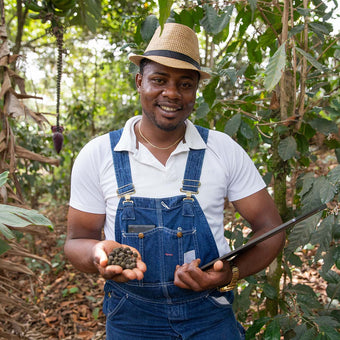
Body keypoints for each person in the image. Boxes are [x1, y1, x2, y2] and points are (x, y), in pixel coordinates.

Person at [65, 23, 285, 339]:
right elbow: (76, 240)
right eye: (159, 80)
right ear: (139, 81)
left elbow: (270, 229)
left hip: (209, 314)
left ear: (195, 90)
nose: (171, 93)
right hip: (131, 318)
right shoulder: (99, 154)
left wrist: (226, 276)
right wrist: (99, 251)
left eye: (184, 84)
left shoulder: (222, 150)